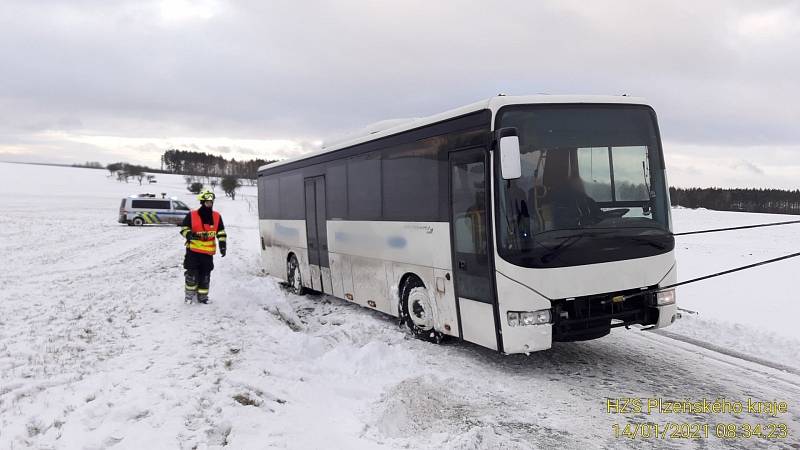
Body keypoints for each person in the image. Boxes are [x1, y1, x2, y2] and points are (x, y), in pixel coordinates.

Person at [180, 190, 227, 304]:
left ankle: (203, 297)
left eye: (211, 202)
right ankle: (189, 296)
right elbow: (183, 229)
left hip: (207, 253)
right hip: (193, 251)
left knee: (205, 276)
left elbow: (220, 232)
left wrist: (223, 245)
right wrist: (189, 234)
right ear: (202, 202)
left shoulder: (216, 216)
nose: (209, 204)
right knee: (192, 275)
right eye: (207, 202)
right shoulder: (192, 215)